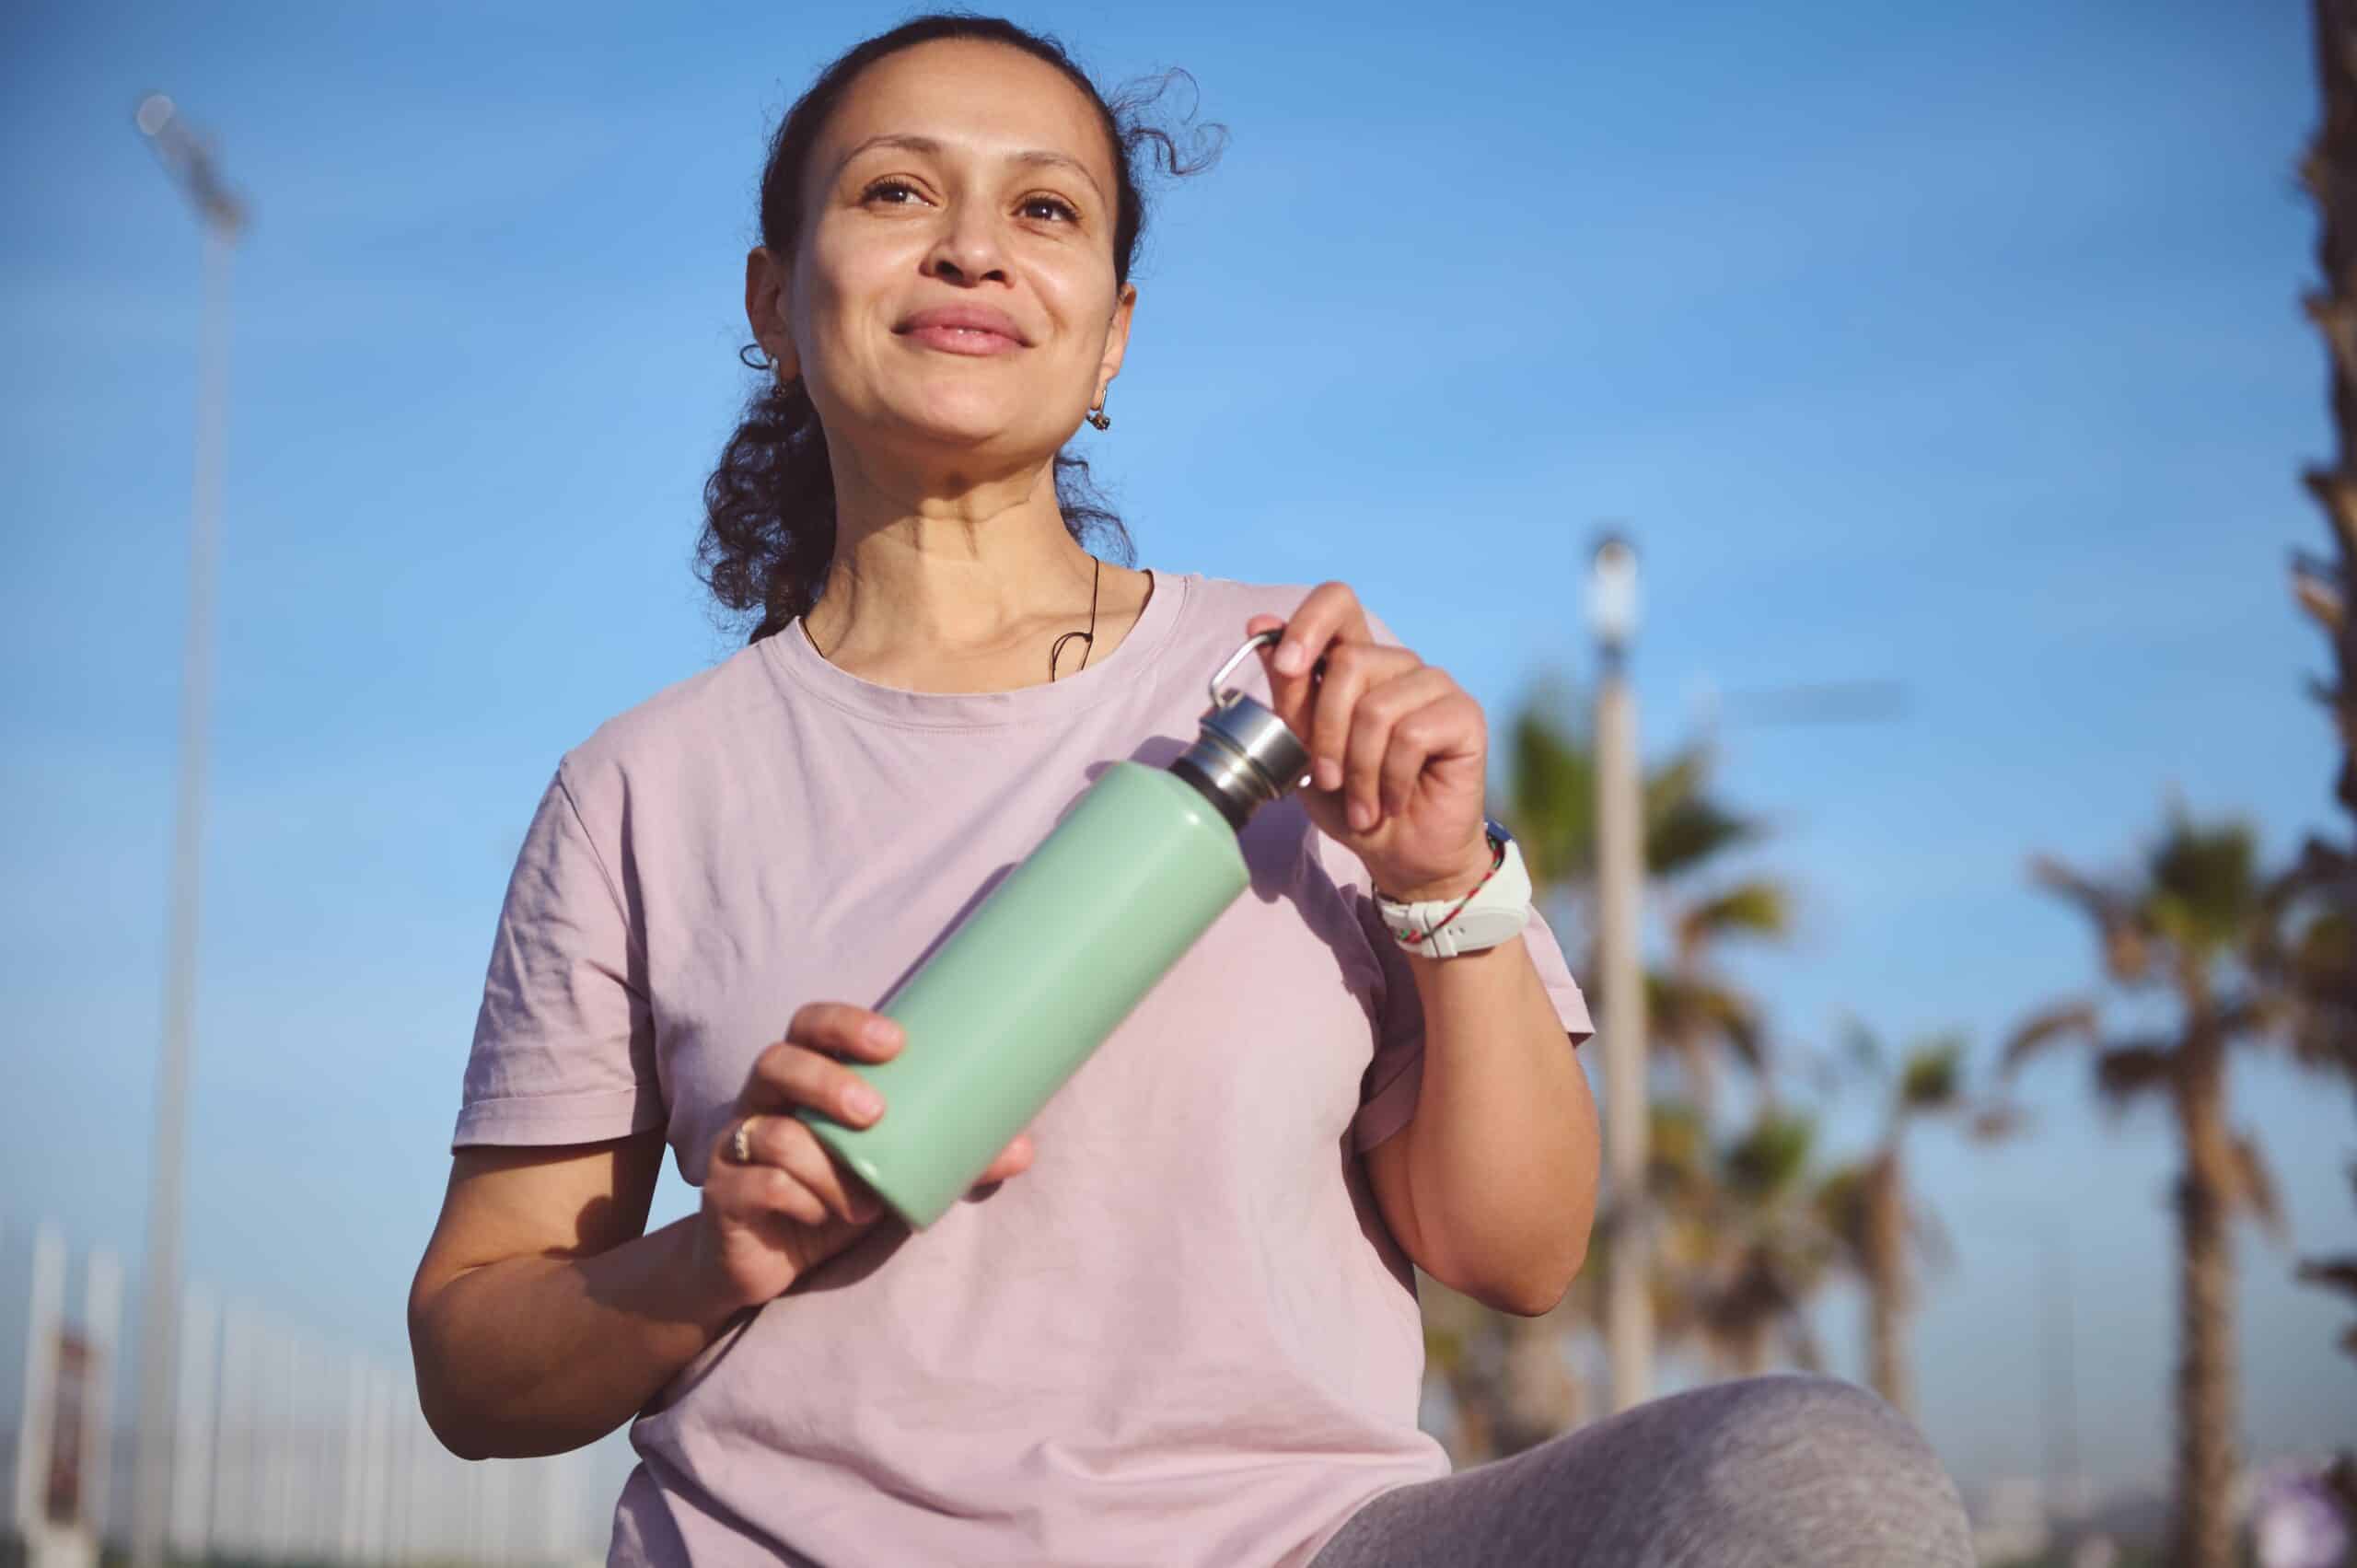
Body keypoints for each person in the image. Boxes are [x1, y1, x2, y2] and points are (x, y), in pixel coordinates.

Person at [407, 15, 1974, 1566]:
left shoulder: (1292, 686)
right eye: (896, 191)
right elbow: (474, 1366)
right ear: (774, 300)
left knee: (1809, 1476)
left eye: (1044, 209)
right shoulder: (639, 789)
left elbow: (1520, 1253)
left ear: (1112, 337)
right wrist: (717, 1252)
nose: (973, 250)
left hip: (1300, 1546)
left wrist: (1440, 879)